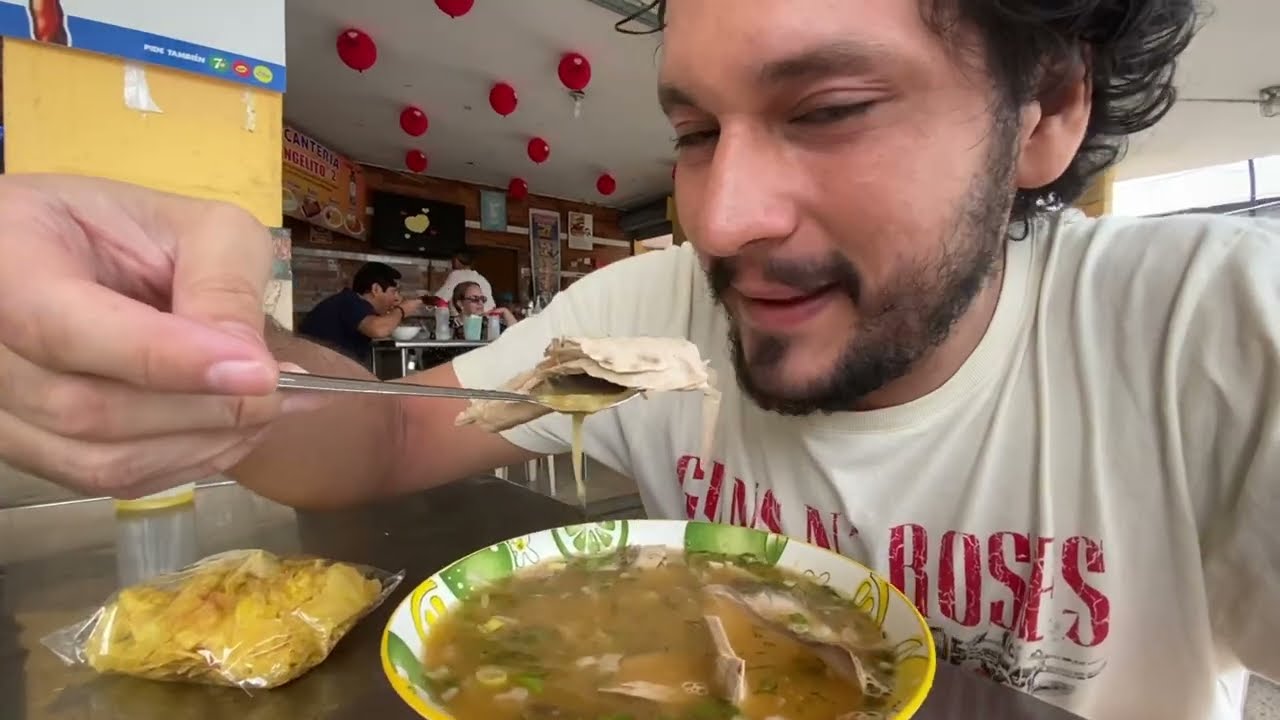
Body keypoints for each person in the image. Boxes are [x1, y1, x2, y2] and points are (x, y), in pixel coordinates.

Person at [0, 2, 1274, 719]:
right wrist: (200, 346)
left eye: (826, 111)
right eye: (695, 130)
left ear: (1043, 111)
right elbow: (385, 437)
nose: (716, 221)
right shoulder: (644, 325)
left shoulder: (1210, 337)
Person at [297, 262, 423, 364]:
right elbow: (379, 329)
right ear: (376, 289)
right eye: (394, 292)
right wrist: (402, 310)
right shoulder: (349, 301)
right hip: (318, 376)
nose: (397, 298)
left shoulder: (351, 302)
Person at [450, 282, 516, 339]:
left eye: (482, 299)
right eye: (474, 299)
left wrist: (506, 312)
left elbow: (518, 337)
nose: (480, 303)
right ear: (460, 304)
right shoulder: (450, 326)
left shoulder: (488, 324)